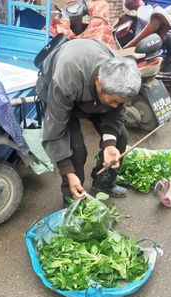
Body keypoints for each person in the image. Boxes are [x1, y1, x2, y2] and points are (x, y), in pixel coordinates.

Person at [35, 38, 142, 204]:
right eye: (113, 100)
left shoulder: (119, 73)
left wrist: (109, 145)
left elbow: (116, 112)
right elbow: (55, 130)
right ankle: (72, 197)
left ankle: (103, 183)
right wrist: (67, 170)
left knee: (120, 137)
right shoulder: (66, 77)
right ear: (98, 81)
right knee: (76, 150)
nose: (116, 106)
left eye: (120, 102)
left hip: (92, 94)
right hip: (62, 93)